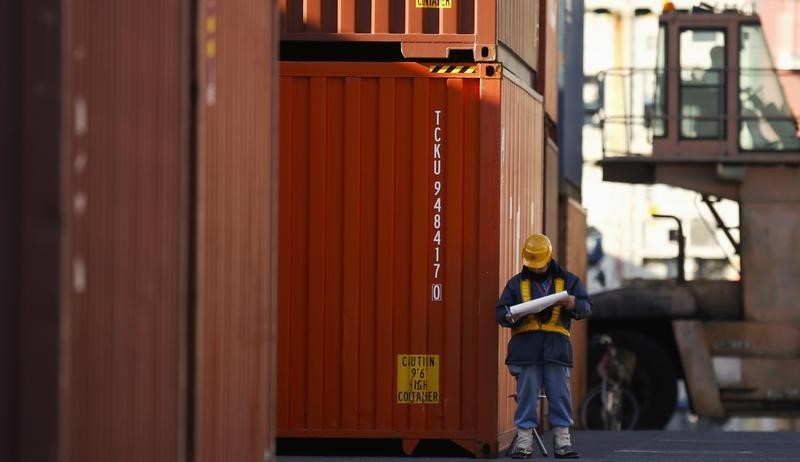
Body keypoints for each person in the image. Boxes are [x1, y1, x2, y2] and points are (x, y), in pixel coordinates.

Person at [496, 233, 592, 459]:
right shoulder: (516, 283)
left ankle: (563, 442)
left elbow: (586, 307)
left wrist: (573, 303)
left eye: (540, 265)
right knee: (527, 395)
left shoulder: (569, 281)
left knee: (559, 395)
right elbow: (500, 312)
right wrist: (510, 316)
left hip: (556, 351)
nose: (537, 270)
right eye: (533, 265)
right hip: (526, 351)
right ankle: (524, 442)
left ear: (548, 258)